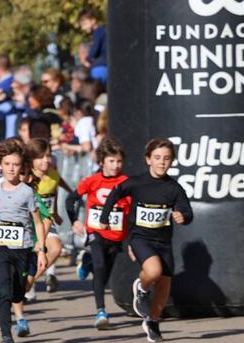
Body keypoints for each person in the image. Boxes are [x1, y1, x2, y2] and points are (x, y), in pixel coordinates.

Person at [99, 138, 193, 343]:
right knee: (154, 271)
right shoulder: (136, 182)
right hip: (140, 237)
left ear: (172, 162)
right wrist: (104, 217)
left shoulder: (174, 188)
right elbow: (115, 194)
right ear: (148, 159)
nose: (162, 162)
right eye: (157, 158)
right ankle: (141, 288)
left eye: (167, 159)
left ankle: (152, 321)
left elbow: (187, 211)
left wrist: (182, 216)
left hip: (163, 241)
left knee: (164, 286)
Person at [0, 139, 47, 343]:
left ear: (22, 166)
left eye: (15, 164)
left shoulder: (27, 192)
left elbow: (38, 223)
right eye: (7, 164)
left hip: (22, 248)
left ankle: (18, 296)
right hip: (0, 247)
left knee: (17, 293)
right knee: (3, 289)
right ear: (0, 165)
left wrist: (41, 250)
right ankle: (6, 335)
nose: (11, 169)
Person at [65, 136, 131, 329]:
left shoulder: (127, 182)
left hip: (117, 235)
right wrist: (74, 220)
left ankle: (87, 262)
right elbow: (70, 199)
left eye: (119, 161)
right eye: (111, 161)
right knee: (100, 267)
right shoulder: (92, 181)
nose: (116, 165)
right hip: (96, 232)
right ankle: (101, 311)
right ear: (101, 161)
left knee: (103, 275)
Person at [26, 138, 72, 296]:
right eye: (41, 157)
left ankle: (29, 282)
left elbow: (54, 192)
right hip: (28, 224)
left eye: (48, 156)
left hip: (46, 221)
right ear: (31, 159)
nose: (46, 160)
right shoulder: (27, 177)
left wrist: (56, 213)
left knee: (56, 248)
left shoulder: (53, 174)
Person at [78, 10, 108, 84]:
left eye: (84, 24)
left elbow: (95, 49)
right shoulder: (102, 31)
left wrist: (87, 59)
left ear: (93, 20)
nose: (82, 28)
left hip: (101, 66)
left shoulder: (98, 32)